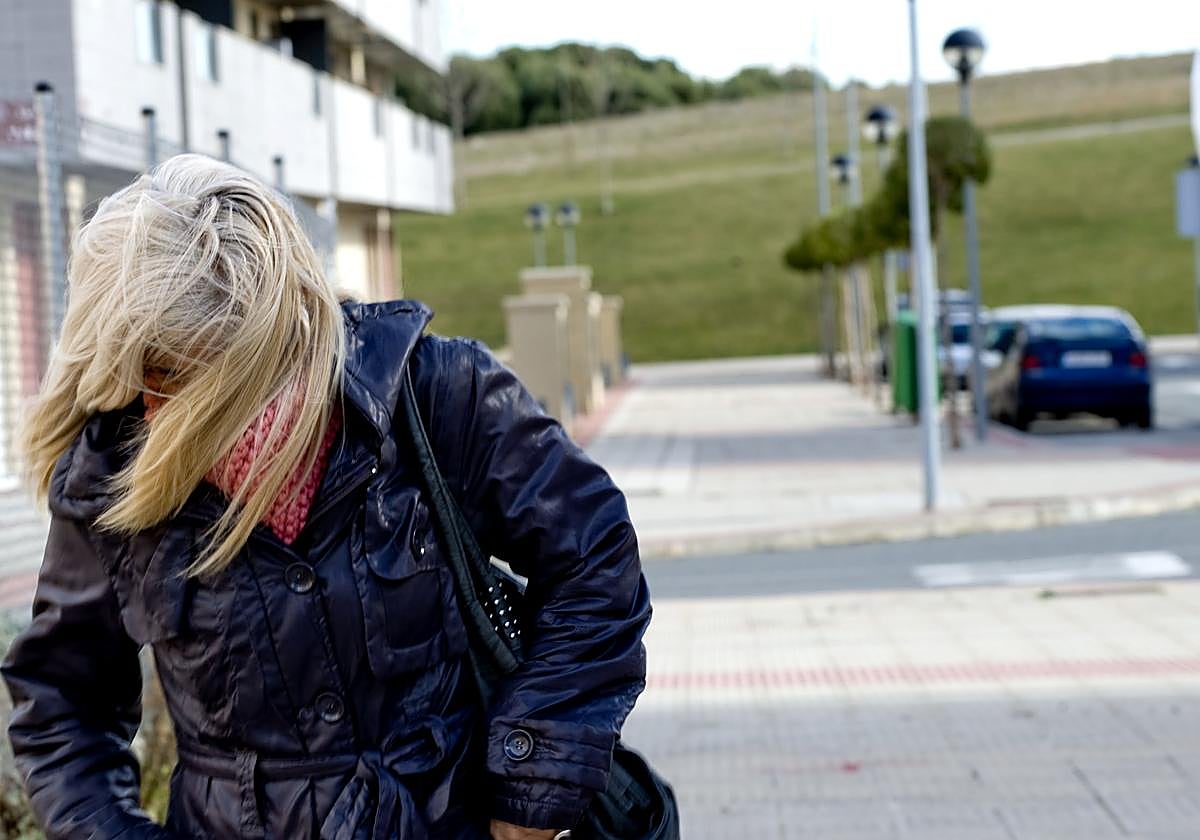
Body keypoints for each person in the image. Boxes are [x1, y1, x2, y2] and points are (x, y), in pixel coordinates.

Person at [1, 154, 651, 839]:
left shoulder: (435, 396)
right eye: (154, 373)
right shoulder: (112, 475)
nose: (164, 404)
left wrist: (531, 786)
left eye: (194, 371)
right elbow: (61, 705)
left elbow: (594, 558)